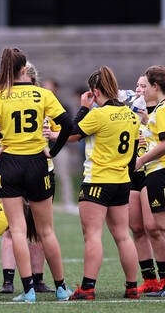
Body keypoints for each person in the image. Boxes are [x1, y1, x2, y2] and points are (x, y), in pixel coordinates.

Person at [0, 48, 73, 302]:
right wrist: (53, 151)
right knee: (46, 231)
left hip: (9, 165)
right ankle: (61, 289)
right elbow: (68, 124)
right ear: (23, 70)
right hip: (37, 164)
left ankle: (28, 290)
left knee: (17, 230)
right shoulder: (42, 94)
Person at [68, 66, 140, 300]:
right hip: (122, 181)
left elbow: (70, 135)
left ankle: (87, 287)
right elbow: (133, 151)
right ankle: (132, 286)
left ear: (95, 91)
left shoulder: (97, 114)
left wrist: (83, 107)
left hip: (98, 181)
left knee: (93, 235)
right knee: (122, 235)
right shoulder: (130, 114)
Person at [0, 63, 57, 294]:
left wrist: (51, 135)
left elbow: (61, 130)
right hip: (33, 168)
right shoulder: (11, 100)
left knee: (33, 229)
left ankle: (32, 280)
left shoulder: (41, 100)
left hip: (28, 168)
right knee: (21, 229)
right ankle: (12, 280)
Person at [128, 75, 165, 293]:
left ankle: (163, 278)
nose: (140, 89)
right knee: (137, 227)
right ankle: (149, 279)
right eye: (138, 85)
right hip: (136, 171)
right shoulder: (132, 110)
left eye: (144, 85)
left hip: (151, 170)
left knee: (154, 226)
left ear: (154, 86)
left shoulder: (158, 111)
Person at [42, 78, 77, 214]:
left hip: (60, 146)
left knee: (64, 175)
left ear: (55, 89)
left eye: (49, 87)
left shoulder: (62, 106)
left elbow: (69, 127)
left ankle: (67, 202)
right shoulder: (38, 104)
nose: (46, 89)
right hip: (43, 146)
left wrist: (55, 135)